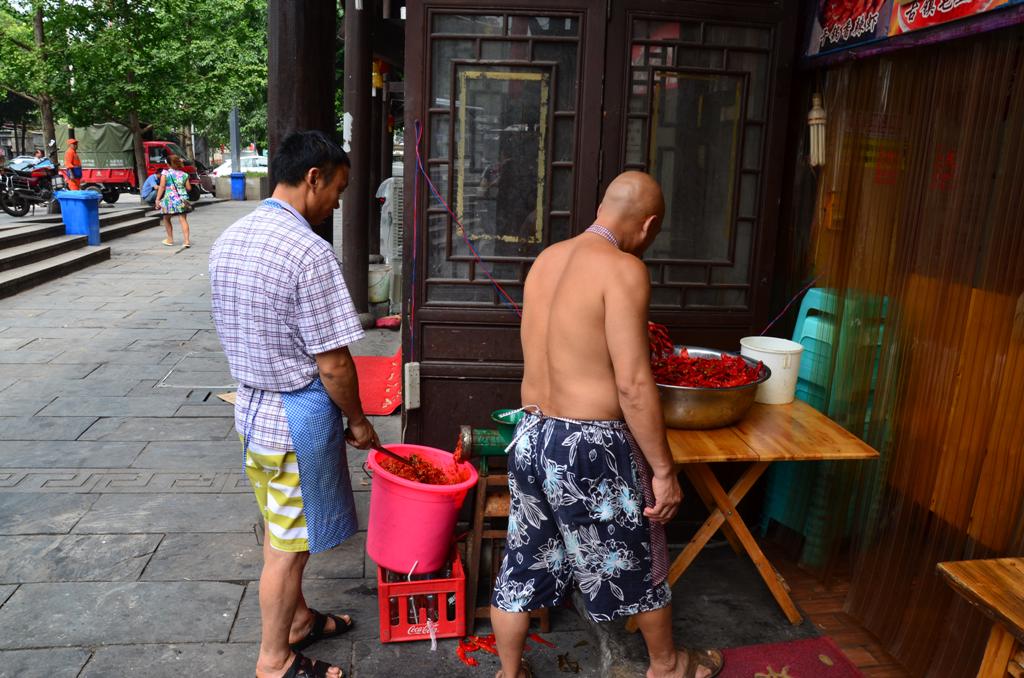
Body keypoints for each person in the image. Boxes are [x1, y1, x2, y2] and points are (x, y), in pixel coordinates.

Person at [490, 172, 724, 678]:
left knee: (522, 561)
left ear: (602, 207)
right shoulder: (623, 270)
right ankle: (667, 667)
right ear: (649, 225)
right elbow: (634, 384)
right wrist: (664, 470)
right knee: (636, 558)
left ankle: (509, 673)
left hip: (532, 432)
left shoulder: (546, 260)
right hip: (588, 444)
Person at [209, 130, 377, 678]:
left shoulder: (231, 237)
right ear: (314, 177)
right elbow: (333, 363)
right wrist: (357, 420)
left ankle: (299, 619)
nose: (337, 202)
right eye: (338, 189)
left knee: (280, 527)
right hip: (290, 420)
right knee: (289, 548)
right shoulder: (308, 251)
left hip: (252, 411)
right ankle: (274, 659)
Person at [155, 154, 192, 247]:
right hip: (182, 199)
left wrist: (157, 199)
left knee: (166, 218)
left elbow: (162, 187)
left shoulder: (165, 173)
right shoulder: (184, 174)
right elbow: (189, 188)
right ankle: (187, 241)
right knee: (183, 219)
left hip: (169, 199)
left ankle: (170, 239)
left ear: (168, 164)